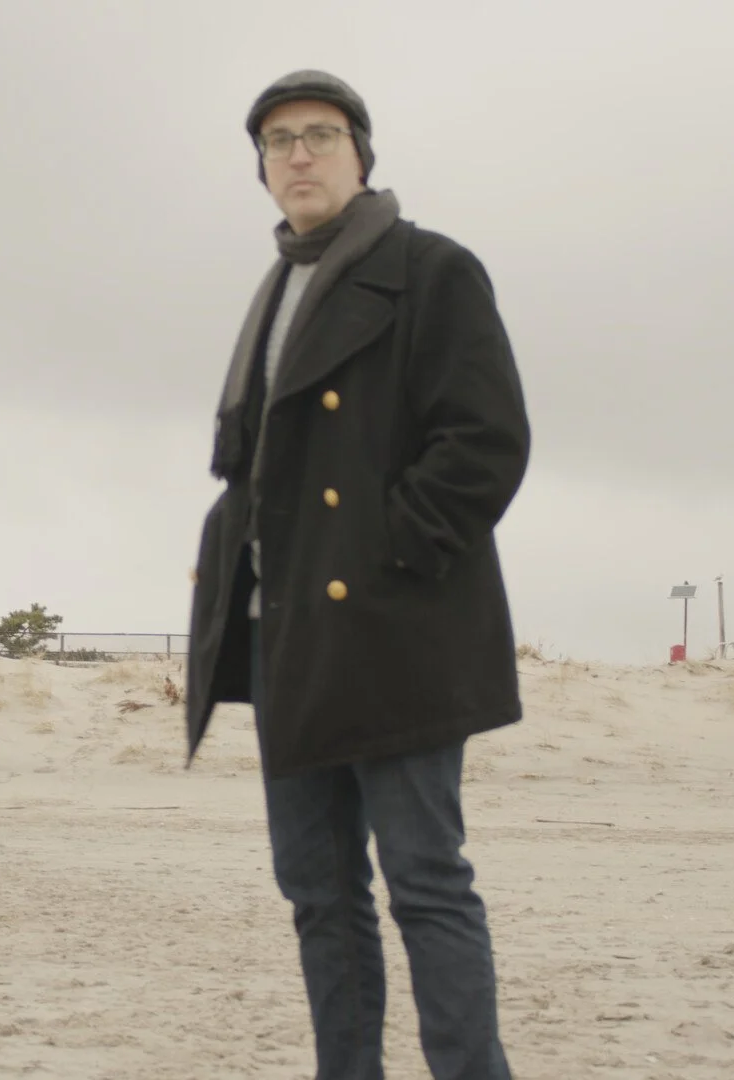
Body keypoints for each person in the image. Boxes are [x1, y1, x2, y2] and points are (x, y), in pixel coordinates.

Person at [185, 71, 529, 1079]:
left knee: (425, 881)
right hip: (285, 634)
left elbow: (485, 443)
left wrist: (385, 557)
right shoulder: (275, 292)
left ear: (360, 155)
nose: (298, 154)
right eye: (278, 141)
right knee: (318, 895)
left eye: (319, 136)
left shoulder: (431, 271)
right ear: (261, 169)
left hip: (393, 632)